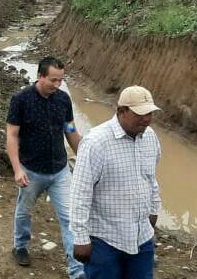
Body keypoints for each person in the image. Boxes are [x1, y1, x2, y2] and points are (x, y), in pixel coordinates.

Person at [70, 86, 162, 279]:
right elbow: (80, 192)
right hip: (105, 240)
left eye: (150, 113)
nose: (146, 119)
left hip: (142, 237)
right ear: (121, 111)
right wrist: (80, 238)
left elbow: (150, 178)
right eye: (140, 114)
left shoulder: (150, 137)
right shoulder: (96, 142)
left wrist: (154, 209)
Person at [5, 56, 84, 279]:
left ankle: (77, 271)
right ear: (40, 76)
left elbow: (70, 130)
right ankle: (20, 245)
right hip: (31, 170)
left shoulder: (63, 99)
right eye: (53, 80)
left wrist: (85, 157)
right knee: (24, 212)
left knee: (70, 219)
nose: (57, 85)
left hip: (60, 170)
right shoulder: (21, 99)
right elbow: (12, 135)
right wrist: (17, 169)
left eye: (61, 80)